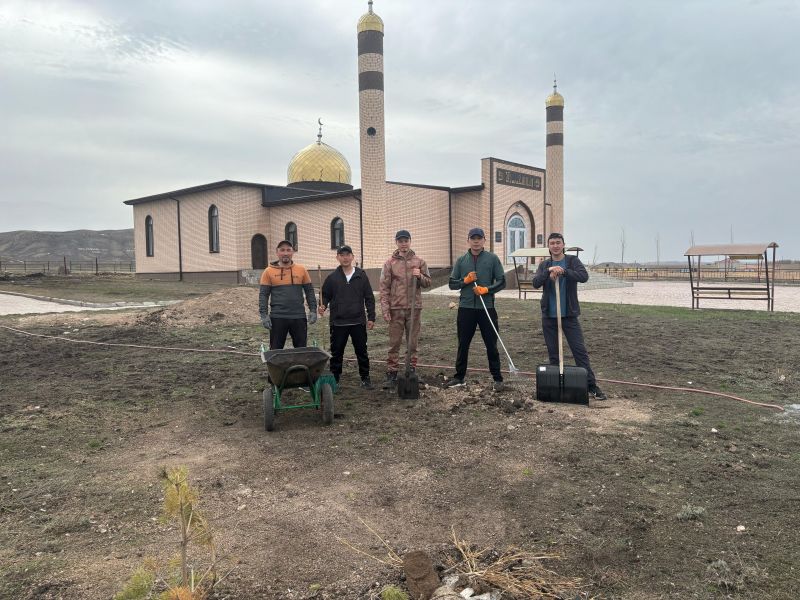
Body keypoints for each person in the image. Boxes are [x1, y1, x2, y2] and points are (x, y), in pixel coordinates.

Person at [531, 232, 606, 400]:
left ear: (563, 245)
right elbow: (536, 283)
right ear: (549, 246)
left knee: (579, 351)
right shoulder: (545, 264)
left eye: (558, 243)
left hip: (569, 315)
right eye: (552, 243)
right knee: (553, 353)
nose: (555, 246)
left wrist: (564, 272)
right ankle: (557, 386)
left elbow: (583, 277)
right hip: (549, 315)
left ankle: (591, 386)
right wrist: (549, 272)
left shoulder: (572, 261)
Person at [445, 227, 506, 391]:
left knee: (491, 344)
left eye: (479, 238)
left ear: (484, 240)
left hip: (487, 307)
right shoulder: (461, 260)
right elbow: (452, 284)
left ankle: (497, 378)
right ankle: (459, 377)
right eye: (473, 238)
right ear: (468, 240)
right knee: (463, 344)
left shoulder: (492, 259)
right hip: (466, 308)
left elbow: (502, 281)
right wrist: (465, 281)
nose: (476, 241)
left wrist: (487, 289)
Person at [379, 230, 432, 390]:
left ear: (410, 241)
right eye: (400, 241)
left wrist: (420, 276)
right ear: (396, 242)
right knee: (394, 343)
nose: (403, 243)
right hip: (396, 309)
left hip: (414, 309)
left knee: (412, 343)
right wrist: (385, 309)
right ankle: (392, 373)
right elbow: (384, 288)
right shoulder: (390, 263)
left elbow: (428, 283)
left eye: (406, 240)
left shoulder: (419, 262)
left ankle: (411, 369)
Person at [318, 245, 376, 388]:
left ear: (352, 257)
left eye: (348, 254)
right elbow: (324, 295)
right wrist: (323, 305)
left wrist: (371, 317)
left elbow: (369, 297)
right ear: (337, 257)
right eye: (342, 255)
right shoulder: (332, 278)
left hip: (358, 321)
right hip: (338, 322)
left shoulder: (361, 275)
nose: (345, 257)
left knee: (361, 351)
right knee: (337, 352)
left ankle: (365, 377)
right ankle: (335, 378)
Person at [258, 240, 317, 349]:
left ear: (292, 252)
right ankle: (276, 367)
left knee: (301, 349)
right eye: (282, 250)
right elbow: (263, 295)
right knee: (275, 350)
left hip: (298, 316)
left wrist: (313, 310)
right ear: (277, 252)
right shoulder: (268, 271)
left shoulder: (301, 270)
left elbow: (309, 291)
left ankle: (300, 366)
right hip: (277, 317)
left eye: (288, 250)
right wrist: (264, 315)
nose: (285, 253)